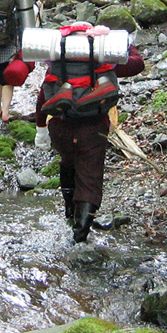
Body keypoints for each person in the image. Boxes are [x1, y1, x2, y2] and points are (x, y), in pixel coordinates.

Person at [34, 23, 144, 243]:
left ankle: (69, 211)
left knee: (68, 161)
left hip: (61, 126)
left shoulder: (57, 60)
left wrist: (41, 129)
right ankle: (80, 233)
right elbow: (137, 65)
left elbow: (43, 97)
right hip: (93, 127)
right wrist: (127, 45)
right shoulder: (104, 59)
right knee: (90, 177)